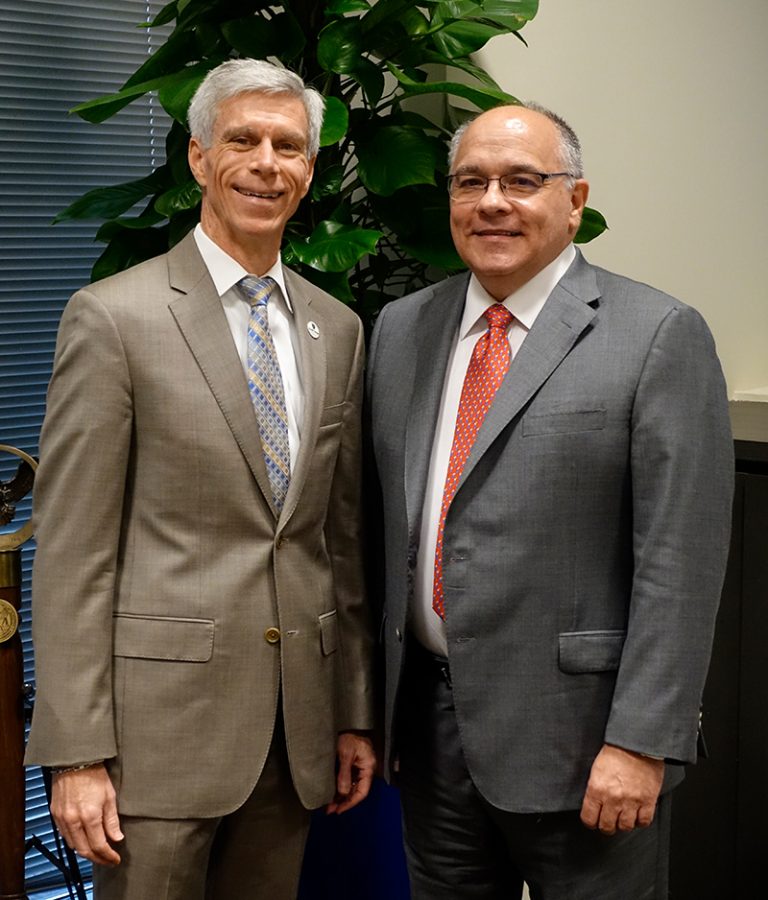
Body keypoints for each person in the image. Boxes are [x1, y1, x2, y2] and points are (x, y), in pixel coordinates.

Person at [25, 58, 375, 899]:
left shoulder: (340, 328)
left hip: (295, 732)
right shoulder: (115, 317)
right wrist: (77, 751)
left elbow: (338, 537)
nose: (266, 163)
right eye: (243, 140)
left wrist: (353, 706)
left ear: (309, 170)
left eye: (287, 147)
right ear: (198, 158)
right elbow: (74, 553)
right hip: (157, 741)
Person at [365, 102, 734, 899]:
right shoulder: (401, 330)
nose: (492, 201)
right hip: (430, 736)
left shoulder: (657, 333)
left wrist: (642, 742)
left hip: (584, 743)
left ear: (575, 200)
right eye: (471, 182)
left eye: (522, 180)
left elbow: (681, 560)